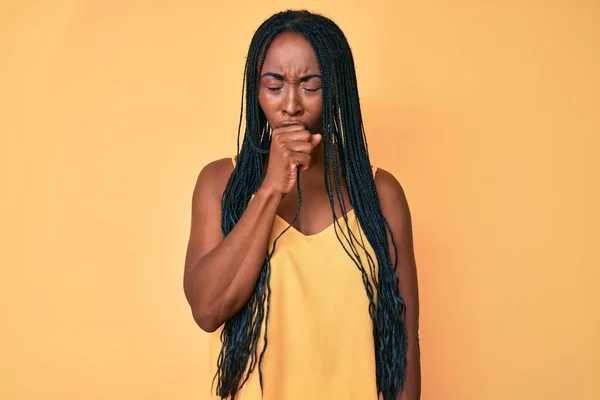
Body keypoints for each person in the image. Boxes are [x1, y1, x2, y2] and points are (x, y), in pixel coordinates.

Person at [183, 9, 420, 400]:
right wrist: (271, 189)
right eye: (274, 86)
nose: (291, 104)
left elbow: (404, 337)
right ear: (255, 91)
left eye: (310, 86)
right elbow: (207, 310)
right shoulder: (219, 183)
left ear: (337, 90)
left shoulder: (381, 194)